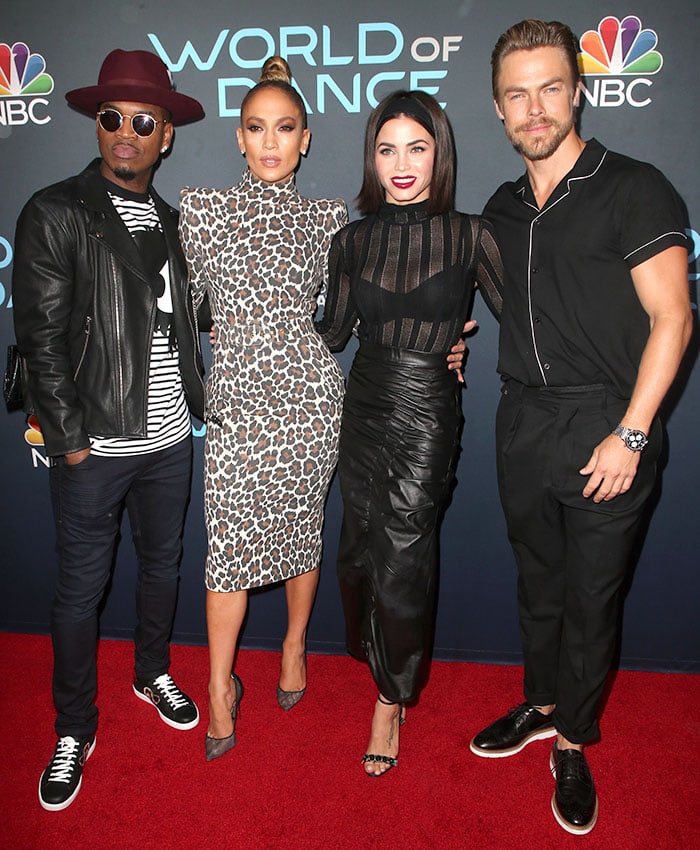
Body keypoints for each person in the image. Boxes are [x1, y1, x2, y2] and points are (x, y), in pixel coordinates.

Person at [468, 19, 692, 835]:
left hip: (608, 417)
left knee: (593, 599)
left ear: (578, 91)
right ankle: (542, 701)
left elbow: (673, 318)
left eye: (550, 88)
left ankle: (574, 740)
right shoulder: (500, 206)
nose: (535, 108)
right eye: (517, 93)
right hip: (523, 418)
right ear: (499, 108)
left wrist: (632, 433)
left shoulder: (635, 187)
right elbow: (501, 307)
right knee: (540, 584)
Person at [12, 49, 207, 811]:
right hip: (92, 449)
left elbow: (198, 324)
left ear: (166, 137)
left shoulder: (176, 222)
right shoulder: (55, 211)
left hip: (167, 444)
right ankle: (73, 725)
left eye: (144, 121)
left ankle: (151, 670)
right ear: (97, 127)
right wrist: (68, 441)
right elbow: (42, 341)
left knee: (164, 567)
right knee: (78, 593)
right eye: (112, 118)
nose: (126, 132)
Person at [317, 90, 504, 776]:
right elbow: (332, 332)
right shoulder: (351, 240)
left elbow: (527, 318)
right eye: (387, 148)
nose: (401, 163)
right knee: (357, 553)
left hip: (428, 407)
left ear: (439, 154)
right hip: (362, 403)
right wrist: (248, 316)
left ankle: (390, 700)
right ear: (372, 156)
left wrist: (460, 348)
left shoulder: (470, 234)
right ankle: (376, 652)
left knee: (402, 552)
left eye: (416, 147)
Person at [179, 57, 350, 760]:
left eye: (285, 128)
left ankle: (293, 645)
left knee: (302, 531)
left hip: (310, 403)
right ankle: (219, 687)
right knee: (227, 556)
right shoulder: (201, 210)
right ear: (239, 137)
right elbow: (180, 308)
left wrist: (440, 342)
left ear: (305, 138)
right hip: (237, 409)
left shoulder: (328, 219)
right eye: (257, 128)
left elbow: (349, 317)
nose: (271, 141)